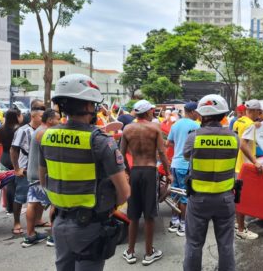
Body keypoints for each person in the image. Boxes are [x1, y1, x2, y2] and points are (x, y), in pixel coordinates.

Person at [39, 74, 130, 271]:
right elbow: (124, 191)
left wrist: (61, 202)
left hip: (59, 222)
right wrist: (110, 207)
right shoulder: (100, 140)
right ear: (89, 106)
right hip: (89, 226)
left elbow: (43, 180)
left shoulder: (47, 136)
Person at [183, 94, 239, 271]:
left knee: (194, 244)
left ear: (201, 115)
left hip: (199, 199)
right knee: (226, 245)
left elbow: (186, 155)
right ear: (223, 115)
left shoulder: (194, 137)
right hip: (225, 198)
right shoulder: (234, 138)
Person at [120, 99, 171, 266]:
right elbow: (162, 154)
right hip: (150, 172)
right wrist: (168, 173)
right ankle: (149, 253)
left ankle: (130, 251)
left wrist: (127, 171)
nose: (153, 113)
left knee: (133, 214)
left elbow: (120, 155)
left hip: (135, 171)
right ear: (148, 112)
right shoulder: (154, 128)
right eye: (152, 111)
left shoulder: (127, 129)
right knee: (149, 214)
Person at [22, 108, 60, 247]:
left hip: (33, 172)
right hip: (42, 174)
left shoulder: (38, 130)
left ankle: (30, 235)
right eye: (58, 119)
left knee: (33, 202)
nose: (60, 121)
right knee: (55, 203)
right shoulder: (46, 133)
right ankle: (53, 237)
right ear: (50, 120)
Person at [166, 102, 200, 236]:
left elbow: (169, 143)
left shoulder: (175, 125)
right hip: (186, 165)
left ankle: (174, 222)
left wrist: (179, 143)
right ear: (192, 112)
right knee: (185, 196)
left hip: (175, 164)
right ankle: (183, 225)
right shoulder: (196, 126)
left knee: (175, 194)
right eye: (197, 112)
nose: (198, 115)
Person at [10, 105, 44, 235]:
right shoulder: (23, 130)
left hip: (39, 169)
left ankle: (38, 220)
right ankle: (16, 223)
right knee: (20, 196)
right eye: (41, 116)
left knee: (39, 196)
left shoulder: (43, 130)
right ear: (33, 116)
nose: (43, 118)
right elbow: (13, 149)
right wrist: (17, 168)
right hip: (24, 170)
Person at [234, 99, 262, 240]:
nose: (260, 114)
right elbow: (243, 145)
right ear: (254, 111)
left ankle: (238, 223)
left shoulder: (239, 121)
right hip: (244, 166)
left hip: (237, 164)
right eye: (259, 111)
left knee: (238, 196)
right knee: (242, 198)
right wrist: (255, 162)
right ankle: (241, 229)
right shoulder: (250, 124)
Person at [0, 108, 23, 214]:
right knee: (15, 184)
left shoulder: (1, 129)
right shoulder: (19, 130)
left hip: (4, 157)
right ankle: (13, 208)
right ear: (16, 117)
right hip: (16, 157)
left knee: (8, 184)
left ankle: (9, 207)